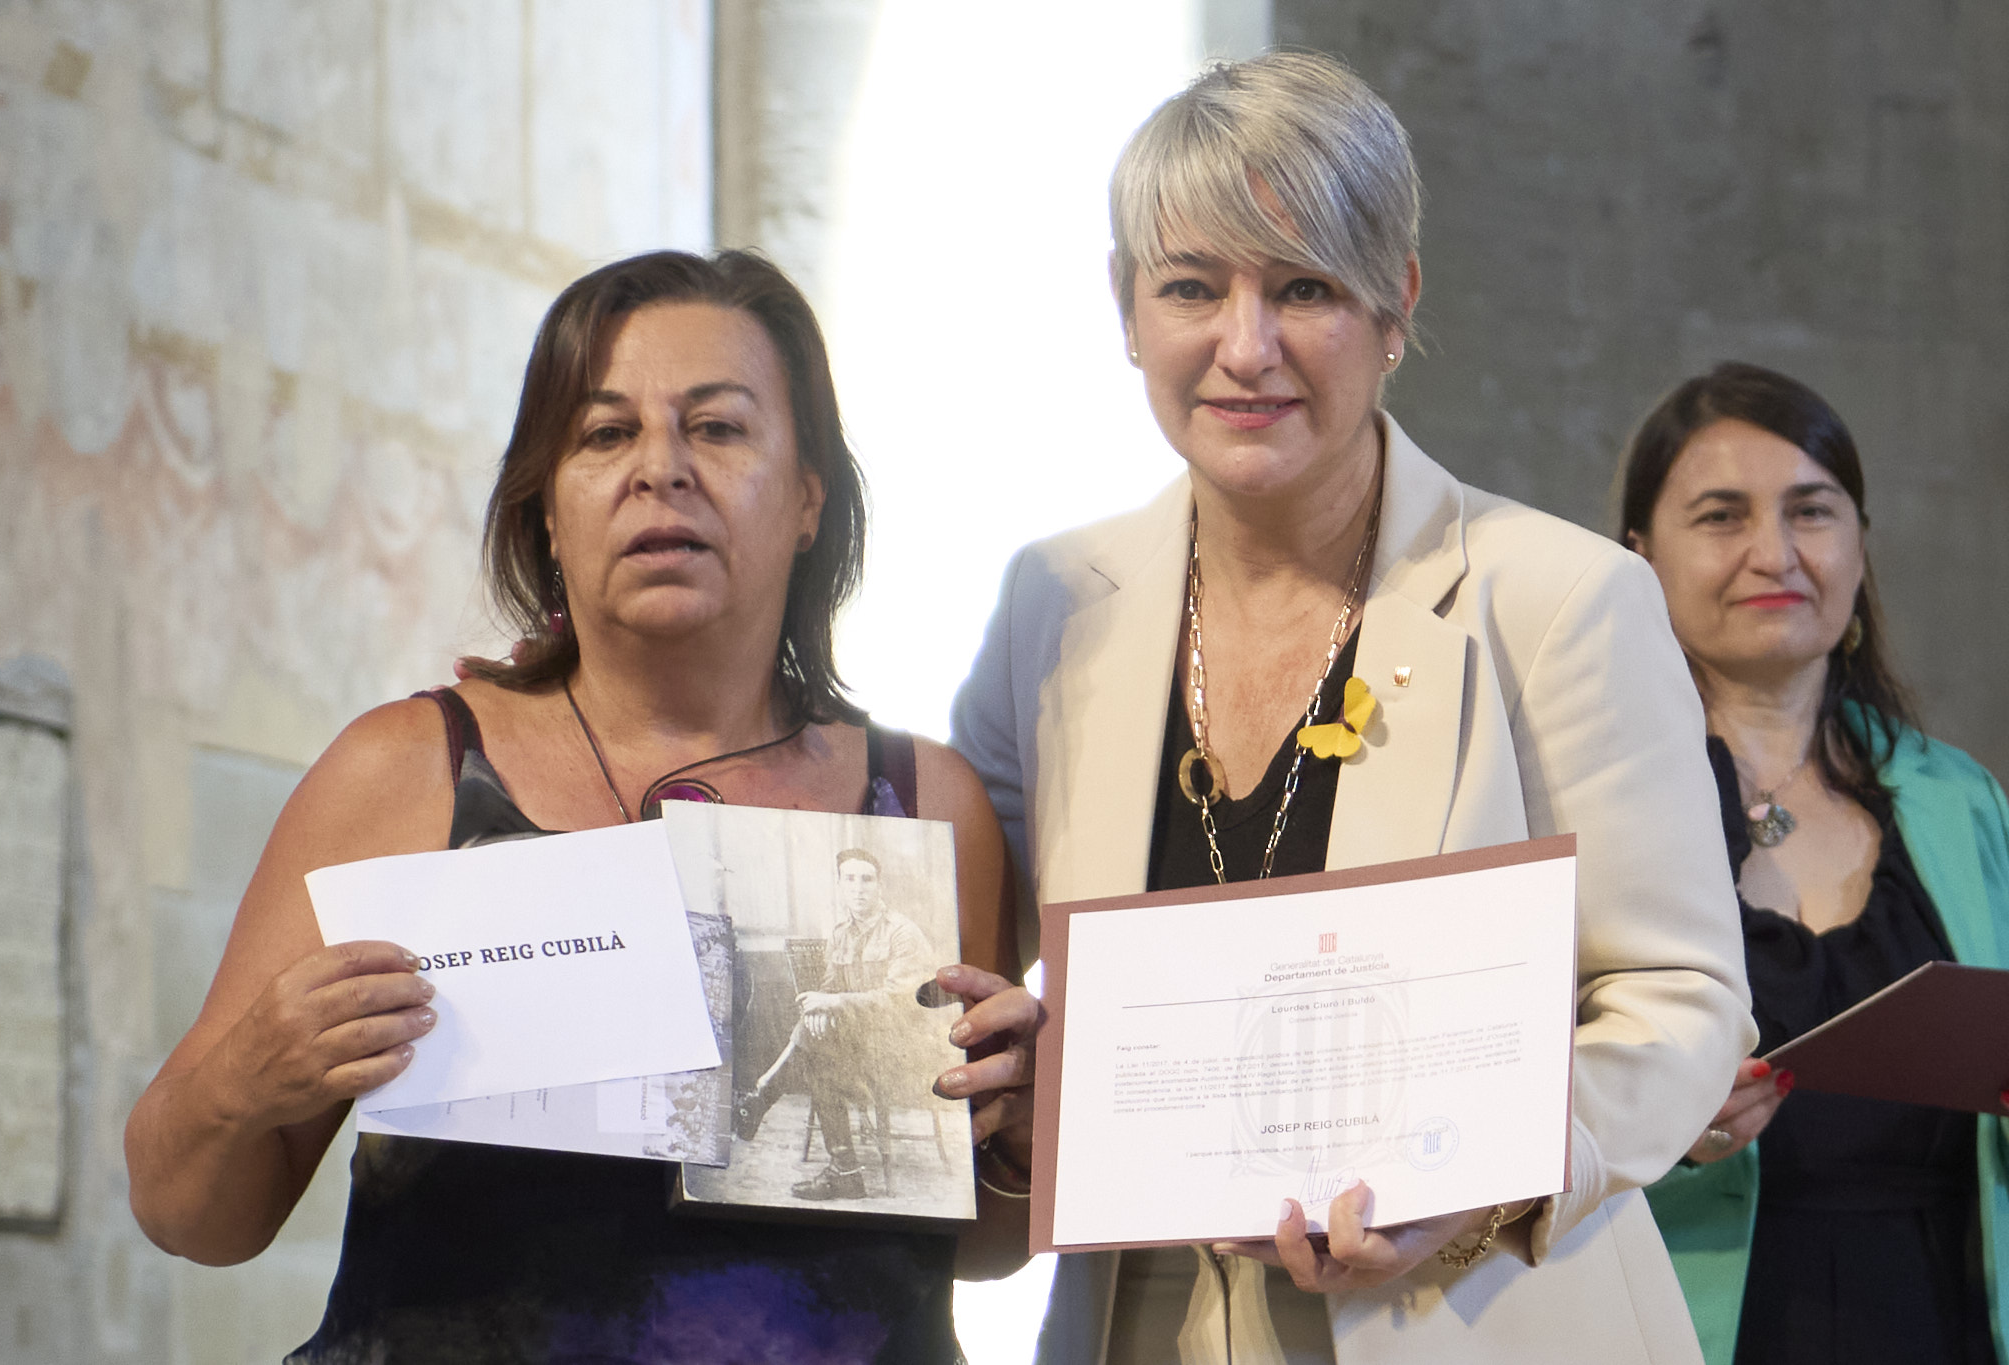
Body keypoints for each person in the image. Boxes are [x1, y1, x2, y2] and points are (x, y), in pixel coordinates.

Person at [949, 52, 1755, 1364]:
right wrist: (1022, 1073)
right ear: (1126, 307)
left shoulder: (1557, 600)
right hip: (1141, 1319)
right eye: (1191, 287)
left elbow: (1683, 999)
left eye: (1304, 288)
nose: (1244, 347)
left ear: (1396, 308)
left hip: (1475, 1319)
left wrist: (1490, 1176)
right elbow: (967, 938)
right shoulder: (1055, 602)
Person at [123, 249, 1036, 1363]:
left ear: (808, 498)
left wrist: (1016, 1130)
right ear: (546, 508)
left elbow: (980, 1244)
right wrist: (249, 1077)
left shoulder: (925, 806)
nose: (661, 470)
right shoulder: (406, 773)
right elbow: (191, 1216)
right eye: (605, 434)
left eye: (718, 428)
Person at [1621, 362, 2009, 1365]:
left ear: (1858, 545)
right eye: (1721, 516)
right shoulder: (1592, 799)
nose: (1774, 553)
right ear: (1638, 557)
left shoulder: (1961, 800)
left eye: (1811, 511)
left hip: (1940, 1315)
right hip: (1690, 1320)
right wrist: (1658, 1123)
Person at [735, 846, 941, 1200]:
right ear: (840, 886)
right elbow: (829, 988)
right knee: (819, 1052)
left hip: (903, 1050)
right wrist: (819, 1009)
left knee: (820, 1054)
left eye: (867, 879)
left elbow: (900, 1003)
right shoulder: (840, 933)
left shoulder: (902, 933)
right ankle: (844, 1172)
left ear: (880, 885)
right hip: (857, 1045)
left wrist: (833, 1003)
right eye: (850, 879)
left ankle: (763, 1097)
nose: (858, 888)